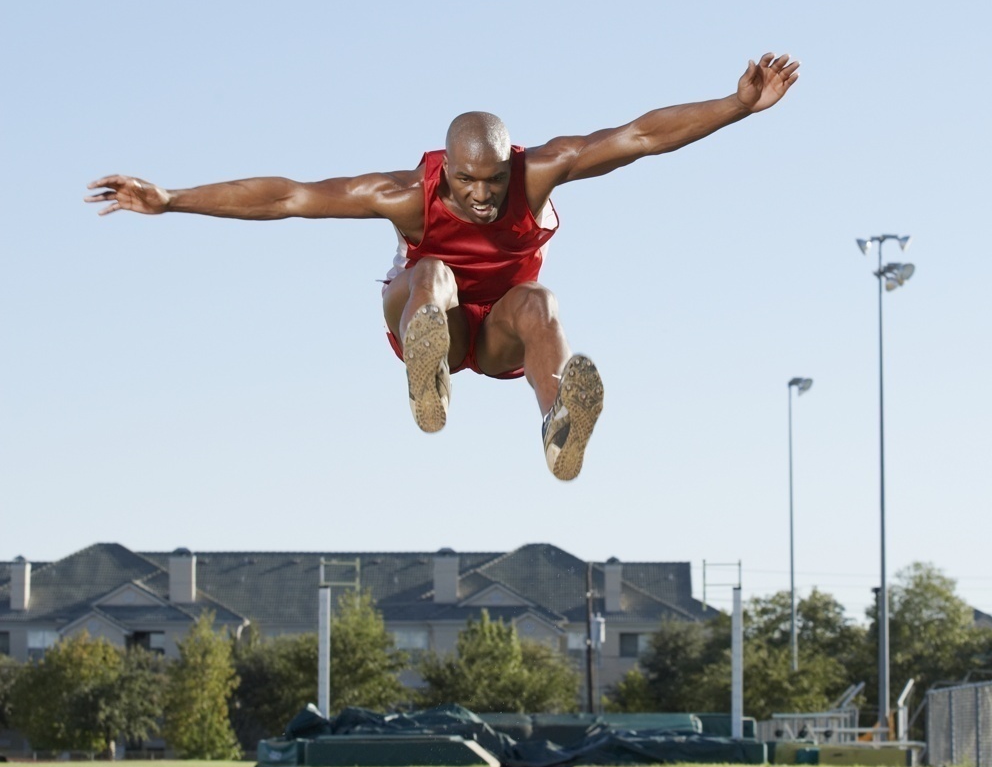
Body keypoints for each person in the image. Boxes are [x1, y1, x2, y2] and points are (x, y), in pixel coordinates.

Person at [87, 52, 799, 479]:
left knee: (541, 302)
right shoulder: (402, 196)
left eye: (494, 181)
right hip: (429, 316)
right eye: (467, 182)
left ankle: (559, 428)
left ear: (510, 163)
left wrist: (737, 104)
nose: (483, 196)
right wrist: (174, 199)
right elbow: (290, 198)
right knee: (434, 277)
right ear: (446, 167)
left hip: (496, 338)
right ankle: (427, 382)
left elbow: (640, 136)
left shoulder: (542, 171)